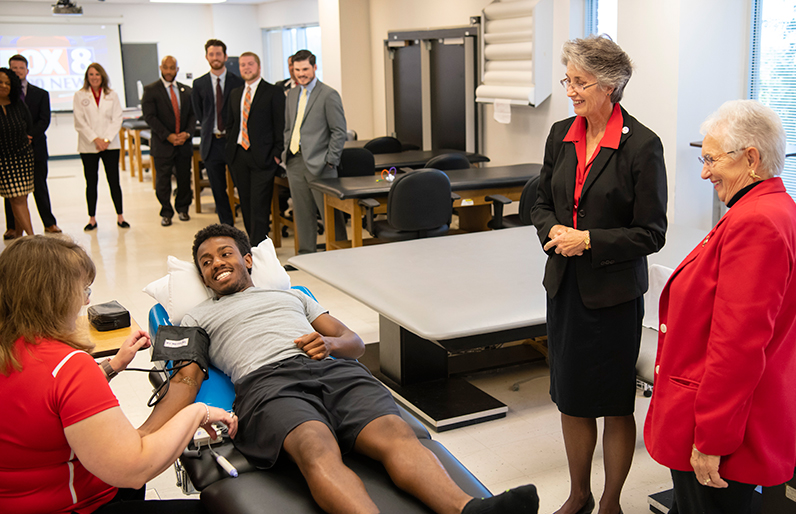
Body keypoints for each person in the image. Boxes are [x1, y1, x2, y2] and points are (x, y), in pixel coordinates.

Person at [138, 223, 540, 514]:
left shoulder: (292, 296)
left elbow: (354, 342)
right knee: (317, 448)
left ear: (247, 260)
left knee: (397, 434)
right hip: (268, 386)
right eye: (206, 262)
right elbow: (187, 379)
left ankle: (469, 510)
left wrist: (329, 344)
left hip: (332, 371)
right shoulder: (193, 318)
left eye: (224, 254)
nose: (216, 264)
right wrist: (139, 439)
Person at [644, 100, 796, 514]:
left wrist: (712, 439)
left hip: (725, 427)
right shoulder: (766, 209)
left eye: (711, 159)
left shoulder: (757, 222)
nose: (704, 171)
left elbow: (737, 346)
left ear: (750, 158)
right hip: (728, 414)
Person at [0, 235, 238, 514]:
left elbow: (41, 402)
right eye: (83, 290)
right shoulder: (70, 366)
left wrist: (111, 367)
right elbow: (134, 469)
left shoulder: (15, 350)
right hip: (76, 504)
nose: (86, 301)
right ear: (57, 297)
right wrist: (198, 412)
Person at [531, 36, 667, 514]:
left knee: (612, 400)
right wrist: (554, 231)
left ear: (611, 85)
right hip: (565, 286)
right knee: (571, 397)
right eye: (567, 79)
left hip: (613, 295)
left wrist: (587, 240)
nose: (570, 90)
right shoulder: (559, 135)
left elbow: (651, 233)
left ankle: (610, 501)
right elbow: (541, 201)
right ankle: (579, 494)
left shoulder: (642, 145)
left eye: (579, 82)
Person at [283, 49, 348, 254]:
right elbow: (289, 127)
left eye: (305, 69)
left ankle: (340, 253)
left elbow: (339, 131)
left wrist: (330, 160)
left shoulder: (328, 94)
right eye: (297, 69)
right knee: (301, 212)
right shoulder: (292, 94)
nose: (301, 73)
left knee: (329, 214)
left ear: (315, 67)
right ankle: (306, 254)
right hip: (294, 161)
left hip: (321, 165)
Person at [224, 52, 285, 246]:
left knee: (259, 205)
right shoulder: (235, 93)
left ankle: (258, 249)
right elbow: (231, 124)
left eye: (250, 64)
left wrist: (276, 155)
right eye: (242, 65)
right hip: (239, 156)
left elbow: (280, 125)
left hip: (264, 158)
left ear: (259, 67)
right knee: (246, 203)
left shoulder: (273, 92)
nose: (246, 68)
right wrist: (230, 152)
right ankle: (252, 243)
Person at [4, 55, 60, 238]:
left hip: (35, 147)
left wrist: (28, 136)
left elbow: (44, 120)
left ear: (27, 71)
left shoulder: (41, 93)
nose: (17, 71)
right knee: (12, 192)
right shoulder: (5, 97)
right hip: (10, 151)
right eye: (14, 68)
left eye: (21, 68)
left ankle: (49, 223)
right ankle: (12, 227)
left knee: (40, 186)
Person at [192, 39, 243, 226]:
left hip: (233, 143)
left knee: (241, 185)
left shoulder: (238, 82)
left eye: (218, 54)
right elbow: (200, 113)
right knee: (218, 189)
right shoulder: (199, 84)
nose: (215, 58)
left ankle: (249, 224)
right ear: (207, 57)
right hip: (211, 143)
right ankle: (227, 225)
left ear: (225, 56)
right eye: (211, 54)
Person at [73, 62, 129, 231]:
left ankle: (120, 216)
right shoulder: (80, 95)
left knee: (114, 181)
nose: (94, 77)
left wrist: (106, 139)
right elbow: (79, 122)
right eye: (91, 74)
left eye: (97, 74)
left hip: (110, 145)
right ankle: (92, 219)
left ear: (102, 76)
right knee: (91, 182)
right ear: (87, 77)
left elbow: (117, 118)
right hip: (88, 146)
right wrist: (95, 139)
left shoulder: (112, 95)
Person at [142, 55, 196, 227]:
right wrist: (168, 135)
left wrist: (187, 133)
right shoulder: (151, 90)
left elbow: (193, 115)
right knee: (163, 181)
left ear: (177, 70)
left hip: (183, 144)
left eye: (172, 68)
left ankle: (183, 208)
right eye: (166, 67)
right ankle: (166, 211)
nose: (169, 71)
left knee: (184, 178)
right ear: (161, 68)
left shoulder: (186, 91)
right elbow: (150, 117)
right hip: (163, 144)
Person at [0, 67, 35, 238]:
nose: (4, 86)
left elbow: (29, 125)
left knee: (20, 199)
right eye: (0, 82)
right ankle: (32, 237)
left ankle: (21, 239)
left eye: (8, 83)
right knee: (17, 199)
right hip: (3, 160)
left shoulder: (17, 104)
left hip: (22, 157)